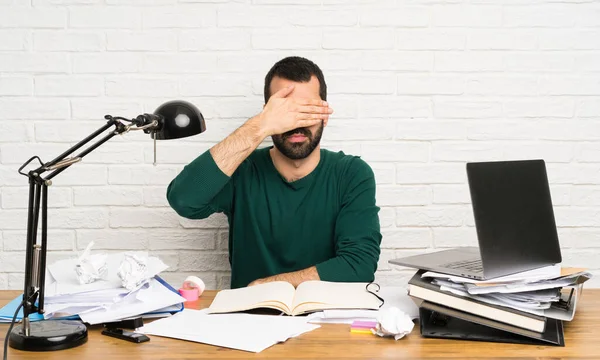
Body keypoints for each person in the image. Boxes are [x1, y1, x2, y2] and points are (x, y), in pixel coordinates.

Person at [166, 56, 382, 289]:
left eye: (306, 109)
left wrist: (272, 284)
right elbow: (183, 200)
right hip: (249, 317)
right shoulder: (241, 169)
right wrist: (259, 126)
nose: (296, 122)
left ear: (324, 115)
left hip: (327, 317)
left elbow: (359, 265)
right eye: (285, 110)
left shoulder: (351, 174)